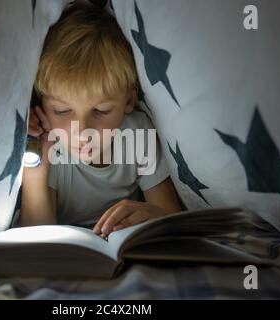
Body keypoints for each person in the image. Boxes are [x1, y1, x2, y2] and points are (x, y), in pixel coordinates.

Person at [21, 4, 181, 238]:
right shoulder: (48, 145)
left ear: (129, 100)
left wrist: (151, 216)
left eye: (101, 110)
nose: (82, 131)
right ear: (42, 104)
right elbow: (36, 238)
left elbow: (172, 216)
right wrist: (36, 171)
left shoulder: (137, 133)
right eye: (62, 110)